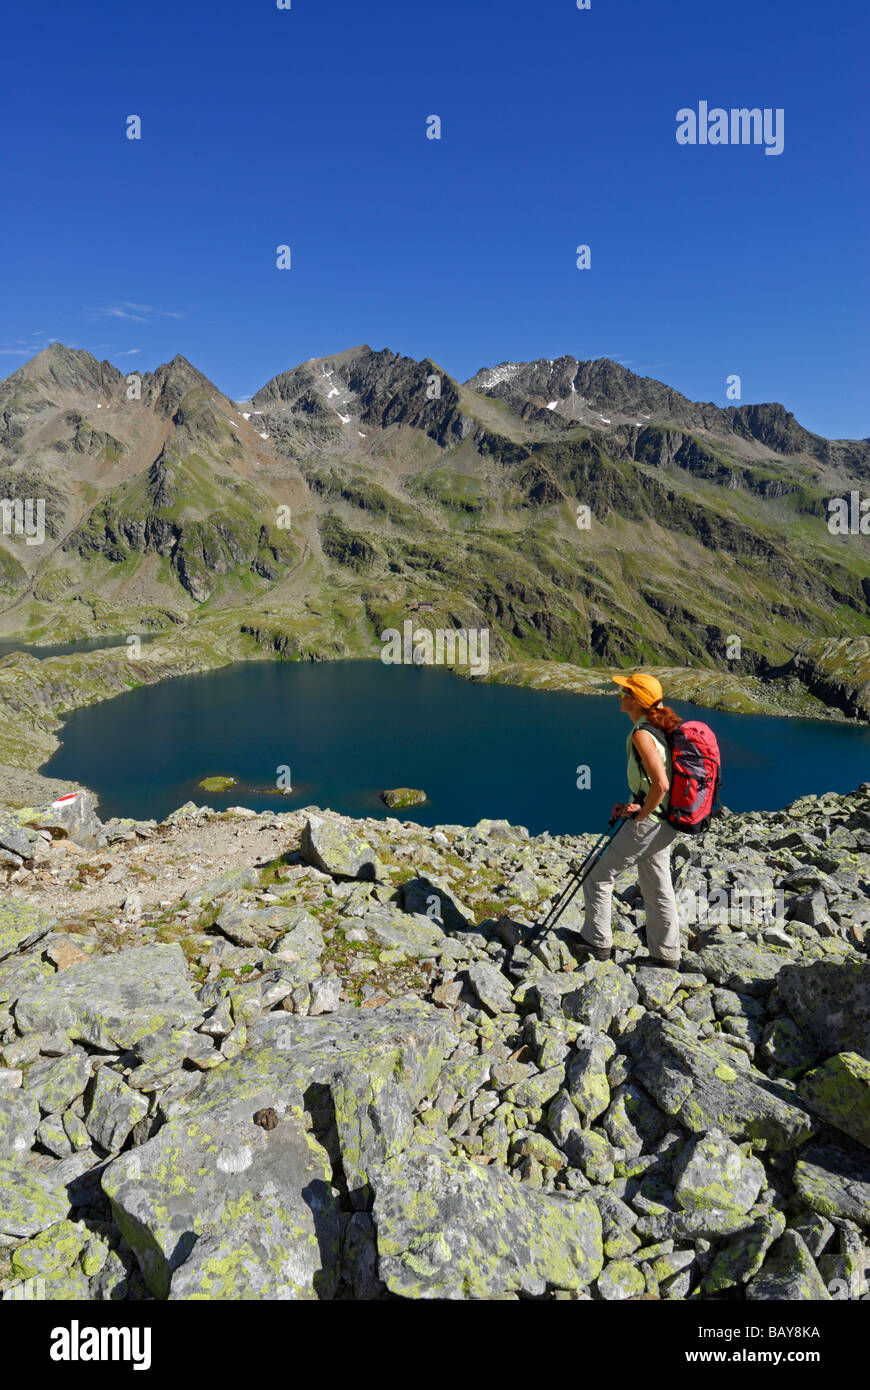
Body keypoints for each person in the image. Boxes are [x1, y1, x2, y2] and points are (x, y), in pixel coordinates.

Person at [574, 672, 683, 968]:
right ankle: (666, 955)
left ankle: (597, 943)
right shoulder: (660, 728)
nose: (619, 695)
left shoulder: (642, 734)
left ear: (636, 700)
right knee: (657, 884)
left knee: (597, 874)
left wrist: (640, 814)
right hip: (668, 823)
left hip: (650, 823)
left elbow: (661, 784)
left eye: (624, 692)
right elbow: (656, 782)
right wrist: (633, 805)